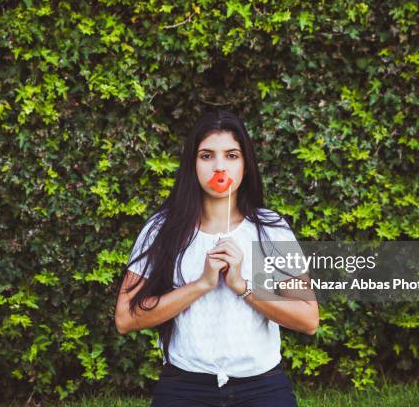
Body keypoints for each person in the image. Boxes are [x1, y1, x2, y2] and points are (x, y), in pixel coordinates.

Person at [114, 109, 319, 406]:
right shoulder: (162, 228)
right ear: (192, 165)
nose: (219, 167)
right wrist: (202, 284)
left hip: (260, 384)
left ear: (246, 165)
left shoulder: (270, 230)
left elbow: (308, 318)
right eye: (207, 156)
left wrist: (243, 286)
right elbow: (125, 317)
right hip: (185, 383)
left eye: (232, 156)